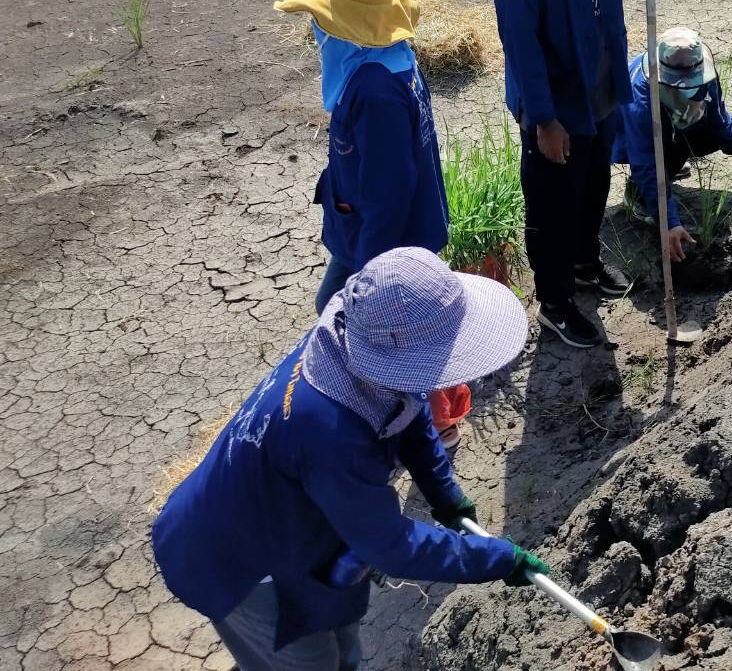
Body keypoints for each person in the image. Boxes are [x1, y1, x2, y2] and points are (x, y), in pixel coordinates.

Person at [152, 246, 545, 671]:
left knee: (342, 638)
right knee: (306, 660)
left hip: (297, 519)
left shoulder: (355, 339)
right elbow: (391, 545)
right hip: (237, 561)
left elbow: (409, 412)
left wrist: (445, 495)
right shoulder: (331, 432)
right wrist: (498, 559)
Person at [490, 0, 668, 350]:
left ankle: (586, 265)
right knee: (551, 204)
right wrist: (544, 120)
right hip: (554, 103)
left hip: (602, 89)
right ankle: (556, 301)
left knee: (592, 186)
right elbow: (520, 46)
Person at [273, 0, 449, 316]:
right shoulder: (393, 57)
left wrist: (368, 276)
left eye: (320, 18)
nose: (315, 26)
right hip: (388, 228)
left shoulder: (374, 93)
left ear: (344, 27)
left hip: (385, 245)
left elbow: (390, 194)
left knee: (337, 310)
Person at [612, 27, 732, 263]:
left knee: (708, 135)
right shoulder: (642, 100)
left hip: (673, 126)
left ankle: (670, 164)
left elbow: (716, 110)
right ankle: (638, 194)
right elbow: (645, 160)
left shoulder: (703, 70)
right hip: (630, 136)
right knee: (655, 163)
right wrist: (670, 223)